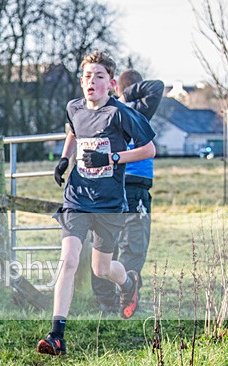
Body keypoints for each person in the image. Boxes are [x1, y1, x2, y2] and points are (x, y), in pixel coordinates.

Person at [38, 51, 156, 356]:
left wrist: (112, 157)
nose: (93, 81)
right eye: (88, 76)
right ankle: (56, 335)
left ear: (111, 83)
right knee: (69, 259)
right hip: (77, 197)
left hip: (110, 201)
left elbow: (149, 150)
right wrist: (65, 158)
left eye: (99, 76)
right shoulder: (74, 107)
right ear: (81, 82)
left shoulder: (120, 114)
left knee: (102, 268)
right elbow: (74, 131)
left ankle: (128, 282)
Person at [91, 70, 164, 313]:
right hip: (135, 184)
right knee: (134, 244)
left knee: (104, 244)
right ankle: (126, 294)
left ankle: (106, 302)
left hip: (109, 183)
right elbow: (157, 85)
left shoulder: (107, 110)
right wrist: (126, 95)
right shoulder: (137, 109)